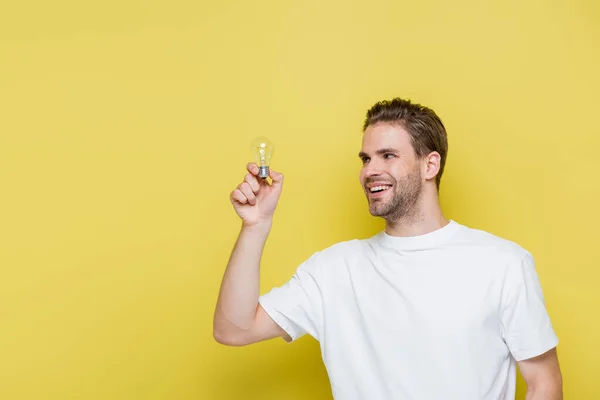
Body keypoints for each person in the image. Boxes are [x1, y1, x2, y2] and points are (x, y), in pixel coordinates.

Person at [213, 98, 563, 400]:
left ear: (430, 165)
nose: (370, 171)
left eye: (388, 155)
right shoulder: (333, 271)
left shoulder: (502, 264)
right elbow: (234, 329)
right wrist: (255, 226)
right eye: (365, 159)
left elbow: (544, 383)